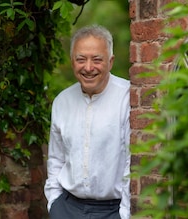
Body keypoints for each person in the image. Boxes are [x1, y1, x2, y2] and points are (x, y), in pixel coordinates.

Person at [44, 24, 131, 219]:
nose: (89, 67)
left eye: (97, 60)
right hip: (67, 209)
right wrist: (54, 203)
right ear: (73, 61)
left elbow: (131, 162)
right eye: (81, 59)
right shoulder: (62, 101)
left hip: (113, 211)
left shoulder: (128, 98)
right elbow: (56, 158)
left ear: (110, 61)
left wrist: (124, 215)